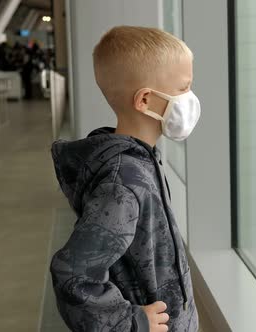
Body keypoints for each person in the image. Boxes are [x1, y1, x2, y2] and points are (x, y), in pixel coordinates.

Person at [49, 26, 200, 332]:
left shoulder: (141, 160)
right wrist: (129, 323)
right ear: (145, 100)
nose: (191, 98)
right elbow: (73, 275)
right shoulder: (123, 183)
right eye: (184, 88)